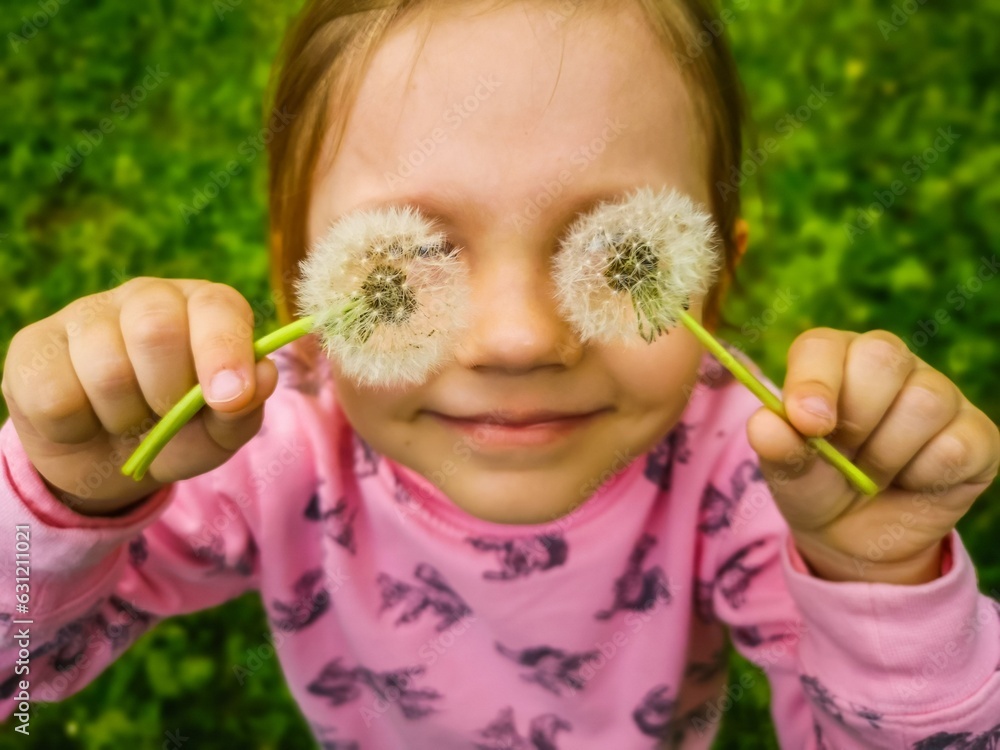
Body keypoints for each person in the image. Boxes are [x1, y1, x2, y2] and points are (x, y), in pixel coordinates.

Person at [2, 1, 999, 747]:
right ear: (295, 282)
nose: (518, 340)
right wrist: (70, 492)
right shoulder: (270, 451)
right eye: (400, 271)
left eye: (624, 260)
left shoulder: (758, 480)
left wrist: (875, 580)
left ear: (713, 278)